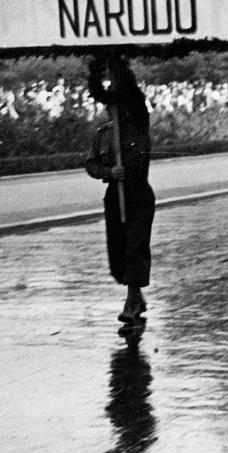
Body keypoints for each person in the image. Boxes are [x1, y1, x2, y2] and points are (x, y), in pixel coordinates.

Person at [85, 56, 155, 325]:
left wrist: (117, 67)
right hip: (115, 196)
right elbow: (90, 164)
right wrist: (108, 172)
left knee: (135, 248)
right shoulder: (104, 134)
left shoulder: (139, 124)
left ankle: (131, 299)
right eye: (113, 108)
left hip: (137, 194)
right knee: (118, 252)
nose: (117, 111)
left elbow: (130, 93)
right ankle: (135, 296)